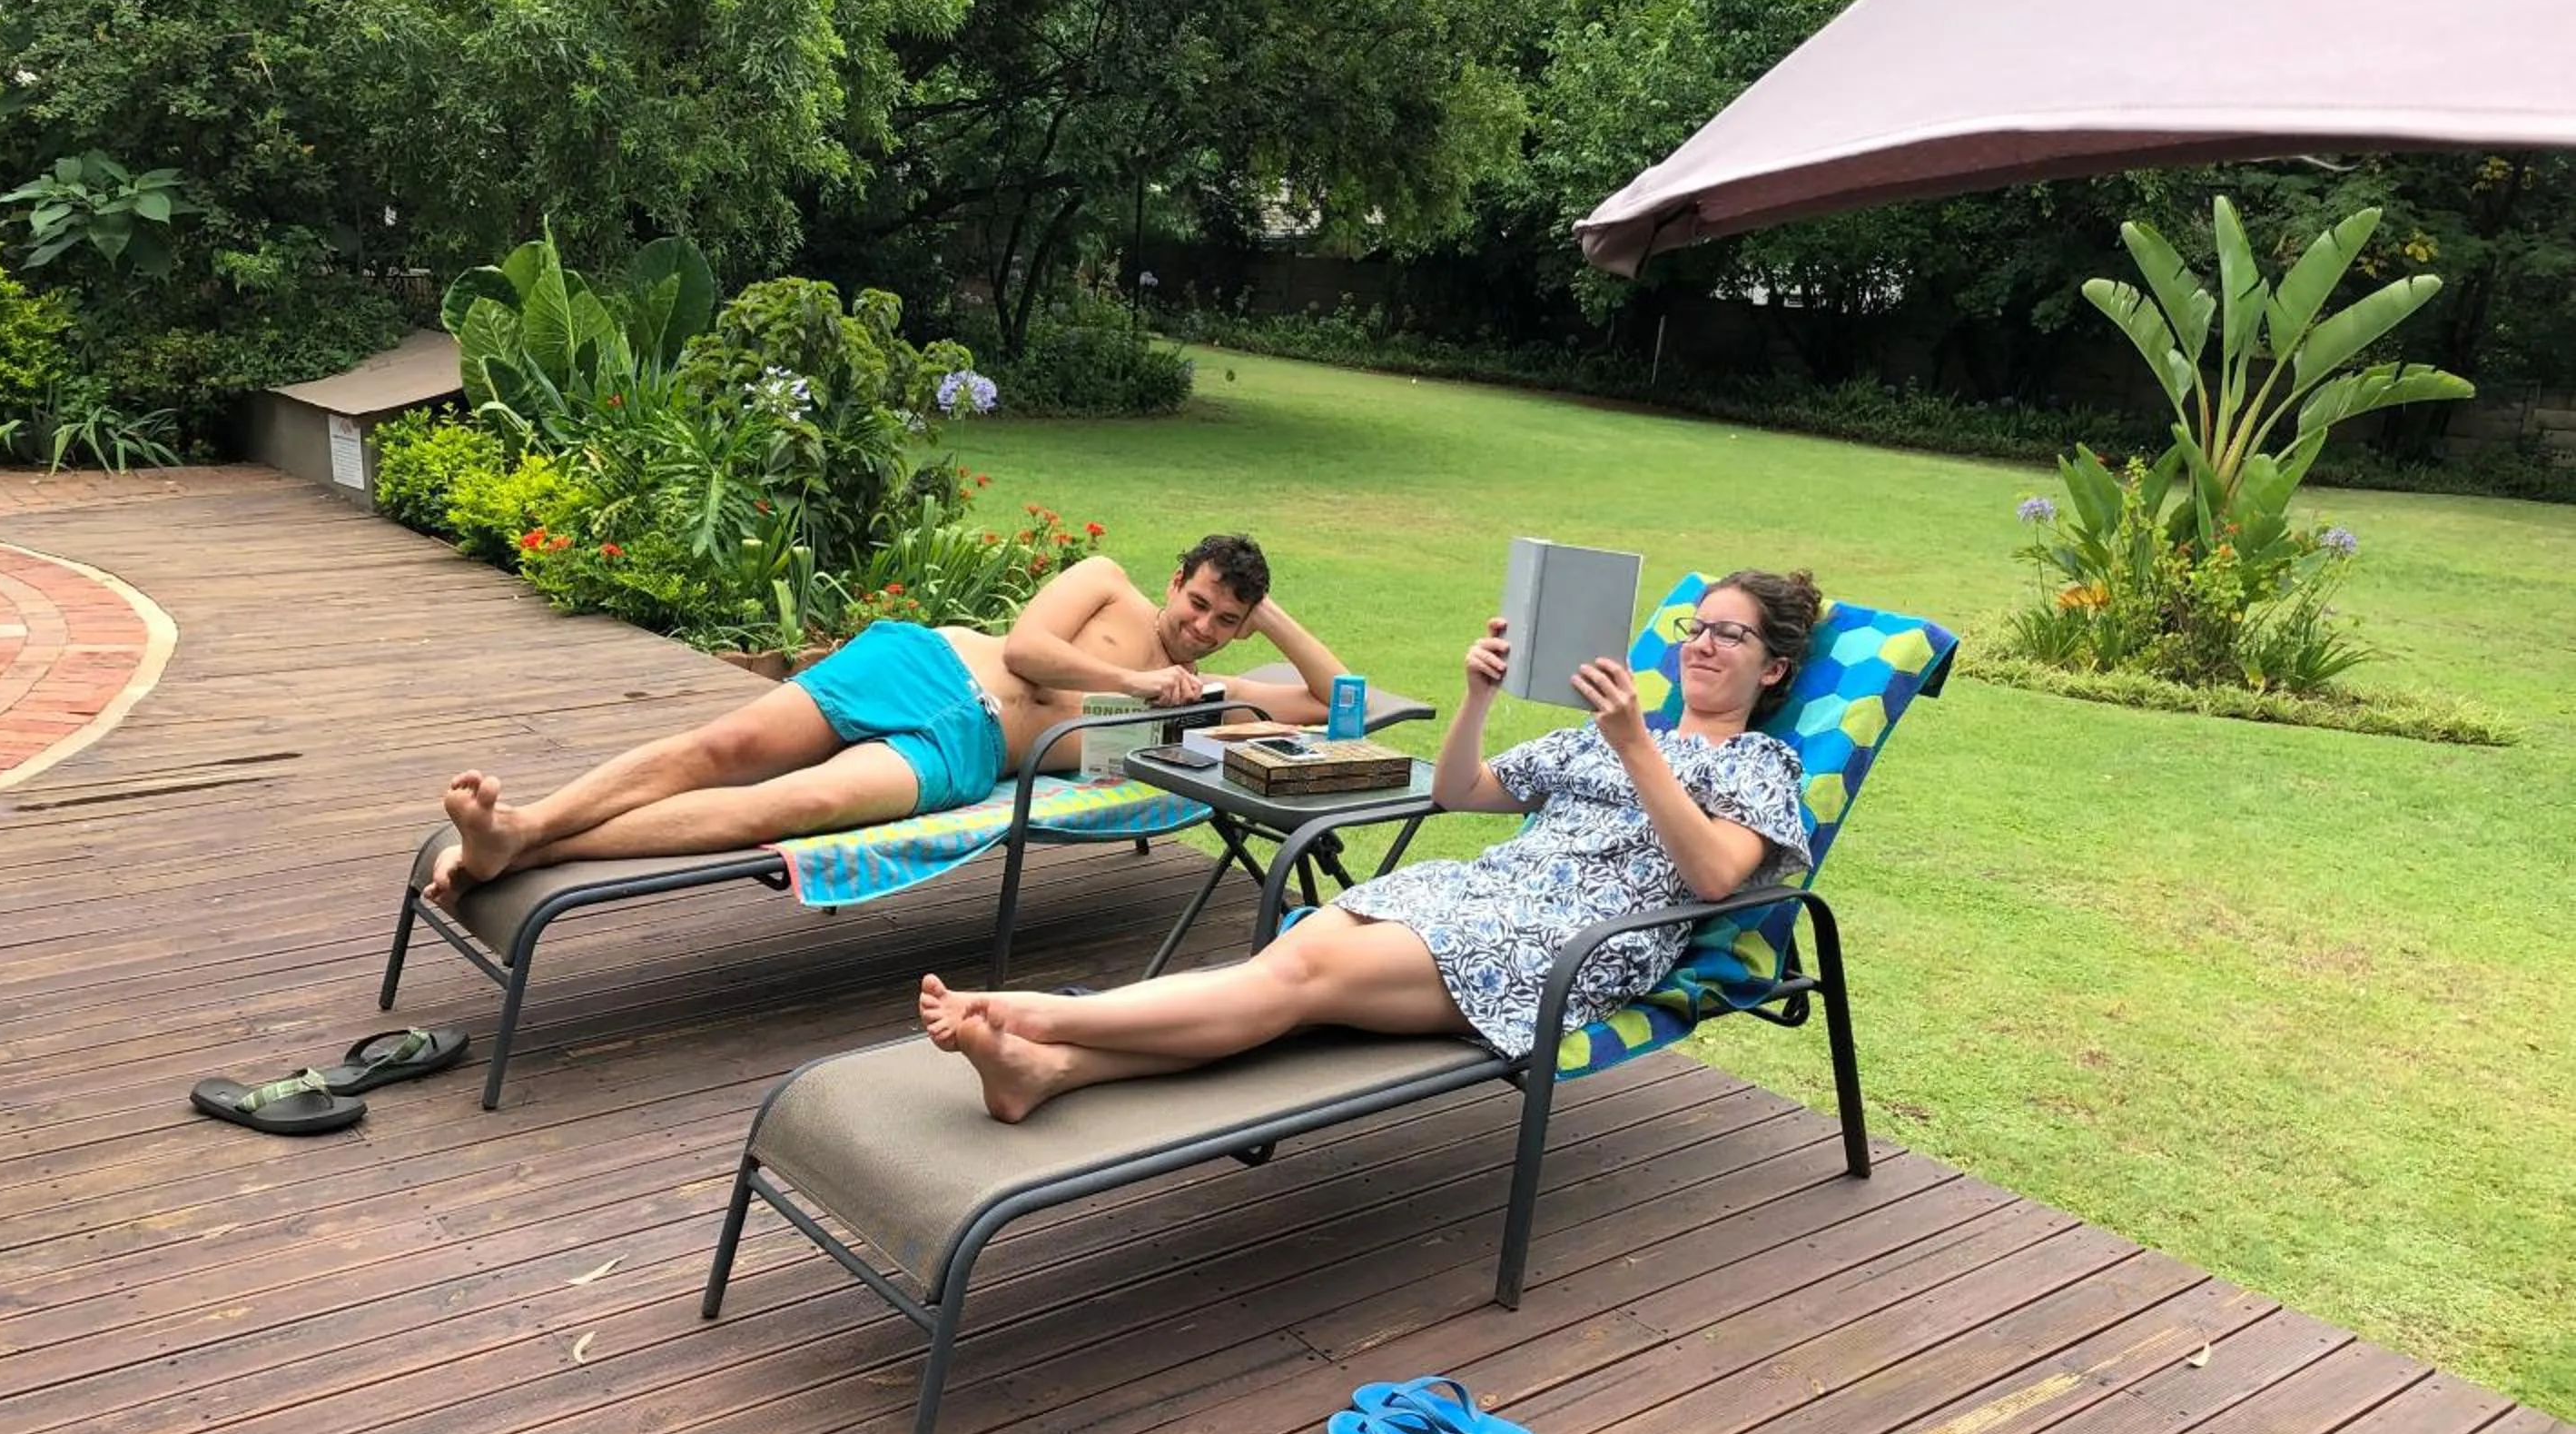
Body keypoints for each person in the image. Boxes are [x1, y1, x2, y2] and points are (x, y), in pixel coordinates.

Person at [920, 569, 1822, 1123]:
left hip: (1561, 944)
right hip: (1478, 895)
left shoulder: (1757, 765)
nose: (1702, 644)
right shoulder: (1610, 731)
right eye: (1696, 626)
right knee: (1289, 970)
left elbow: (1714, 876)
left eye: (1729, 634)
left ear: (1773, 668)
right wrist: (1476, 696)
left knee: (1299, 981)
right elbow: (1460, 790)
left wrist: (1634, 746)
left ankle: (1040, 1017)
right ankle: (1047, 1072)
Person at [423, 533, 1348, 906]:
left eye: (1224, 621)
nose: (1202, 626)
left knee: (789, 808)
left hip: (961, 750)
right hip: (922, 666)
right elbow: (1030, 650)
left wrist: (1263, 614)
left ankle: (524, 847)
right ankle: (531, 821)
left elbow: (1337, 704)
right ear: (1175, 580)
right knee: (725, 746)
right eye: (1198, 602)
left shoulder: (1206, 698)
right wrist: (1139, 683)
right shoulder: (1106, 583)